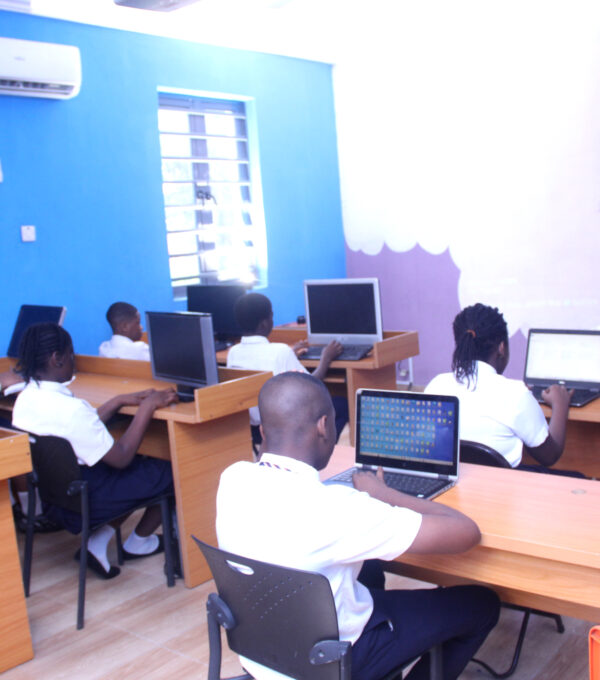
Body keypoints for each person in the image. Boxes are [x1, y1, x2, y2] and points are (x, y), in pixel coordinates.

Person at [216, 372, 500, 680]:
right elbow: (466, 533)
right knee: (481, 605)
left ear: (263, 431)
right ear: (324, 426)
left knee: (371, 570)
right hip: (332, 663)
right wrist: (385, 494)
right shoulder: (337, 508)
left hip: (263, 654)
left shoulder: (232, 478)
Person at [12, 322, 178, 579]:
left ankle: (96, 546)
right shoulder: (70, 409)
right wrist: (147, 408)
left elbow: (79, 431)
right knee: (171, 470)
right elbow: (121, 458)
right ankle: (138, 543)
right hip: (87, 501)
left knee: (140, 468)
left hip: (55, 497)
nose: (74, 361)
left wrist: (118, 401)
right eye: (71, 354)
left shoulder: (26, 398)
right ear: (57, 358)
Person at [425, 303, 572, 468]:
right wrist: (560, 404)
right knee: (576, 477)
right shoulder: (516, 395)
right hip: (499, 485)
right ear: (501, 348)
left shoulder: (435, 385)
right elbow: (550, 456)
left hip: (451, 484)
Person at [226, 292, 348, 443]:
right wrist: (326, 358)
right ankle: (317, 450)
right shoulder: (280, 351)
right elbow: (312, 385)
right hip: (283, 430)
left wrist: (290, 354)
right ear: (264, 323)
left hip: (254, 431)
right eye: (271, 316)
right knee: (342, 404)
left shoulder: (233, 352)